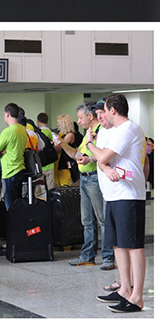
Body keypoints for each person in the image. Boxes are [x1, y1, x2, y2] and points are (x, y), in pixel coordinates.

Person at [87, 94, 149, 313]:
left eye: (104, 110)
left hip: (128, 196)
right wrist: (101, 160)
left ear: (113, 110)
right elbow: (105, 160)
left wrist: (89, 144)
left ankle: (137, 297)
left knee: (133, 246)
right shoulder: (116, 132)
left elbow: (102, 157)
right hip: (114, 195)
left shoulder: (129, 129)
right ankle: (124, 289)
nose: (101, 114)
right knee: (118, 245)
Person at [64, 103, 115, 270]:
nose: (78, 121)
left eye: (80, 117)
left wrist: (90, 159)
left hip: (94, 179)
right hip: (84, 179)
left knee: (102, 220)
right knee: (87, 220)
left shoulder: (102, 130)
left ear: (90, 116)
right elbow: (78, 154)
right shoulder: (88, 133)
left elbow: (103, 154)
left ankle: (108, 257)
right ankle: (88, 255)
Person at [0, 103, 27, 210]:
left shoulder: (8, 131)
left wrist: (1, 151)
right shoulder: (22, 130)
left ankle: (13, 226)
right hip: (20, 169)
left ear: (7, 114)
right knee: (18, 205)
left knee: (11, 207)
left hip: (10, 172)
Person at [54, 113, 79, 186]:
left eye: (58, 123)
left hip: (65, 168)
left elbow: (59, 148)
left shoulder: (69, 135)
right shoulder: (62, 135)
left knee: (65, 188)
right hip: (61, 167)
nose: (57, 125)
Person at [36, 113, 58, 192]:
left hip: (40, 165)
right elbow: (58, 142)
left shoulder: (37, 132)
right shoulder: (50, 132)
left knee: (40, 190)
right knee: (51, 188)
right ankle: (51, 203)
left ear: (38, 121)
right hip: (50, 164)